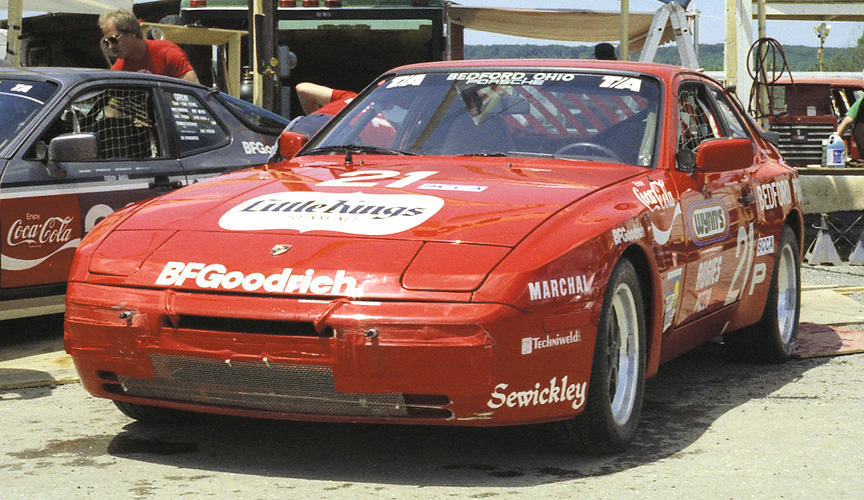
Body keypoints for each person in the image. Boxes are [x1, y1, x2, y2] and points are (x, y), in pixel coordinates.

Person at [98, 9, 198, 83]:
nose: (111, 46)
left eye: (113, 40)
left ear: (132, 33)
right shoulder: (119, 69)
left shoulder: (167, 53)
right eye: (107, 42)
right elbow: (112, 106)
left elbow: (194, 90)